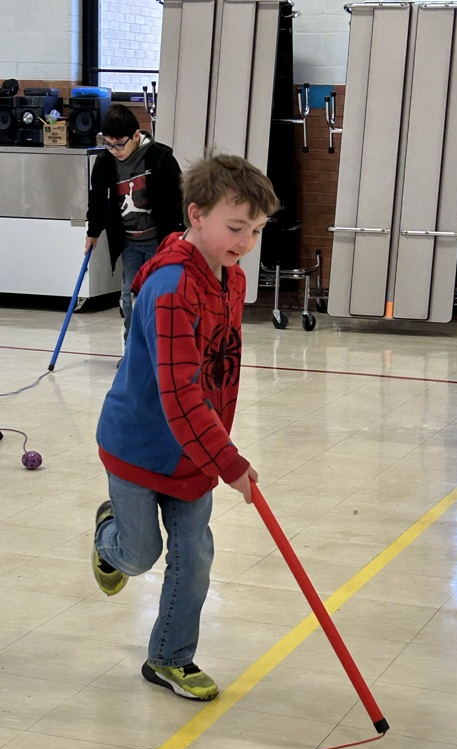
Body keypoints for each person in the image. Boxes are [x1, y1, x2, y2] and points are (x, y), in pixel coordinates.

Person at [92, 154, 280, 701]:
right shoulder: (171, 289)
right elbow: (180, 397)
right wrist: (232, 464)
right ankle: (110, 541)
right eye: (235, 227)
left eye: (256, 231)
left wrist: (216, 449)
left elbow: (218, 370)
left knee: (194, 554)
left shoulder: (231, 278)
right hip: (140, 444)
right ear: (196, 215)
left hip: (195, 449)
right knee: (139, 555)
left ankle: (170, 657)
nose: (245, 242)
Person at [85, 104, 184, 362]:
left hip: (158, 243)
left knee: (156, 299)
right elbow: (97, 198)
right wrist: (93, 230)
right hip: (128, 241)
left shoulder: (159, 158)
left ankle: (159, 355)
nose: (115, 150)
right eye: (108, 144)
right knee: (129, 301)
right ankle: (132, 355)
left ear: (137, 135)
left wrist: (180, 236)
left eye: (119, 144)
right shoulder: (105, 162)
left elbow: (178, 199)